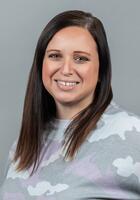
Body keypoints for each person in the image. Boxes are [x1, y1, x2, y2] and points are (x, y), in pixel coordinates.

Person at [0, 10, 140, 200]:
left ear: (101, 71)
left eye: (80, 58)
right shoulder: (22, 147)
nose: (66, 69)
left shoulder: (132, 134)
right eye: (55, 56)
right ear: (41, 64)